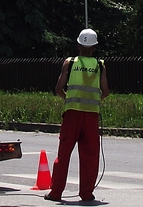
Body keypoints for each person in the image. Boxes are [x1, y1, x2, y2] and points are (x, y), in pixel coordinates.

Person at [45, 28, 109, 203]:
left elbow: (58, 89)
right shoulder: (99, 65)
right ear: (94, 47)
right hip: (91, 117)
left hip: (72, 114)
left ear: (78, 45)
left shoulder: (69, 62)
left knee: (64, 154)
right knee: (90, 156)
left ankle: (56, 192)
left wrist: (69, 99)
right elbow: (105, 91)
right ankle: (86, 194)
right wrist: (94, 99)